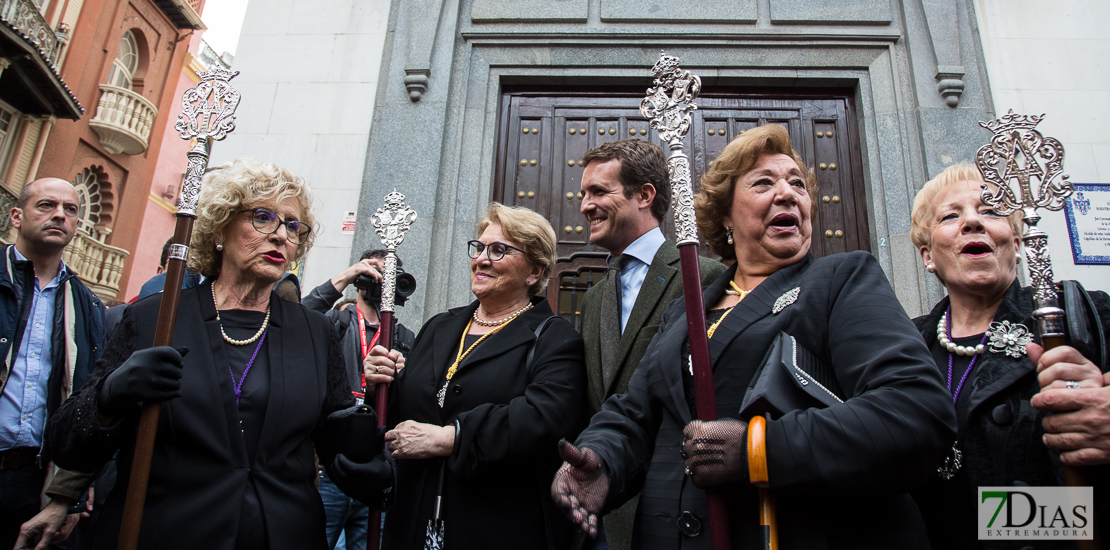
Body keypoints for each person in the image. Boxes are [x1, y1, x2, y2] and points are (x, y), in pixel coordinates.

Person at [552, 124, 957, 549]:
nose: (787, 193)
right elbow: (634, 413)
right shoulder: (685, 311)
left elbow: (915, 412)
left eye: (797, 184)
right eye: (764, 182)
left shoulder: (841, 280)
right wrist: (600, 459)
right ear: (725, 215)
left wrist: (758, 449)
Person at [39, 157, 394, 550]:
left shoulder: (315, 330)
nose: (280, 235)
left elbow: (335, 436)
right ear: (220, 229)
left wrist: (367, 463)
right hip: (165, 531)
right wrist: (110, 395)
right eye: (262, 217)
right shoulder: (155, 318)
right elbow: (67, 442)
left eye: (293, 226)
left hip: (282, 534)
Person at [908, 163, 1110, 549]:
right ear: (928, 255)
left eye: (990, 210)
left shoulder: (1081, 315)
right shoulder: (907, 340)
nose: (972, 222)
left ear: (1016, 244)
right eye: (951, 215)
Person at [368, 202, 586, 550]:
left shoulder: (555, 339)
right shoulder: (440, 326)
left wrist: (449, 438)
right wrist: (383, 382)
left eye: (499, 250)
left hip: (497, 526)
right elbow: (401, 415)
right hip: (412, 520)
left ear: (534, 272)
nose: (482, 259)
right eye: (479, 247)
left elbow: (543, 420)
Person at [576, 139, 725, 549]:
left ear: (644, 195)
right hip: (596, 511)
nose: (585, 205)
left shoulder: (703, 278)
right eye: (583, 194)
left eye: (598, 192)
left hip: (672, 512)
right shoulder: (592, 300)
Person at [0, 177, 106, 550]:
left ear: (76, 225)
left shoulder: (88, 306)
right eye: (46, 205)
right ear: (17, 215)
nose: (59, 215)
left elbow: (88, 405)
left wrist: (71, 497)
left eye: (70, 210)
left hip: (34, 482)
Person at [302, 250, 417, 550]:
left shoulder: (403, 337)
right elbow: (299, 317)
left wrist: (405, 379)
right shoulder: (336, 323)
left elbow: (414, 404)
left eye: (393, 276)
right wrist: (345, 276)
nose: (385, 283)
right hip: (332, 467)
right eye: (379, 274)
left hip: (378, 469)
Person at [136, 238, 201, 300]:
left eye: (192, 268)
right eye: (176, 265)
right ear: (160, 271)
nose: (186, 274)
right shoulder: (145, 297)